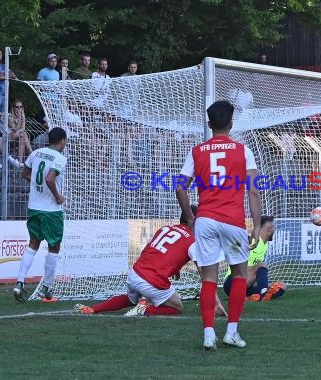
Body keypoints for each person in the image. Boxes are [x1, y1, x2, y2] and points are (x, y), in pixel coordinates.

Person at [176, 100, 261, 350]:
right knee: (239, 275)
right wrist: (256, 227)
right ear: (231, 124)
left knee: (209, 279)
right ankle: (231, 332)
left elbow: (181, 186)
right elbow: (253, 191)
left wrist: (190, 217)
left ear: (209, 124)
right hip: (233, 220)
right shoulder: (243, 150)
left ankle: (208, 334)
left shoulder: (197, 151)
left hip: (206, 219)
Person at [74, 206, 227, 317]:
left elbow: (157, 251)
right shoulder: (193, 241)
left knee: (129, 299)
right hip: (151, 280)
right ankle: (145, 309)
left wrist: (175, 269)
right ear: (194, 222)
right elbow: (205, 275)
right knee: (177, 306)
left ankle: (94, 309)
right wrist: (216, 303)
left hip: (135, 273)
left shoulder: (166, 229)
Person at [13, 127, 68, 302]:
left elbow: (25, 173)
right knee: (54, 246)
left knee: (33, 244)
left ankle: (19, 283)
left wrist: (40, 187)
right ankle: (47, 287)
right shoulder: (60, 158)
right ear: (62, 141)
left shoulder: (36, 153)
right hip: (51, 211)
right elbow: (50, 179)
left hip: (34, 207)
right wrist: (58, 197)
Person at [223, 215, 286, 302]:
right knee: (262, 265)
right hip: (232, 282)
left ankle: (250, 297)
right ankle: (264, 292)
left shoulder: (264, 245)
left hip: (247, 286)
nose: (275, 229)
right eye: (274, 227)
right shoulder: (250, 240)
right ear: (269, 228)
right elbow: (234, 247)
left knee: (282, 286)